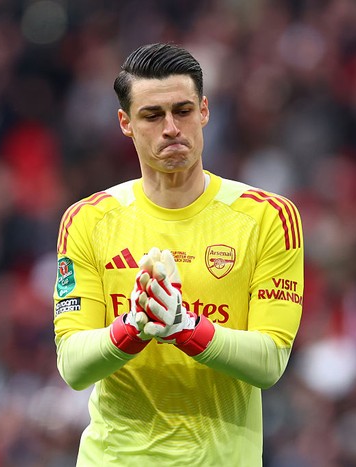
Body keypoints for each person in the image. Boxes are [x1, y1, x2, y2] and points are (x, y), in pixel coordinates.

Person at [53, 42, 304, 466]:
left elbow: (269, 361)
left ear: (204, 111)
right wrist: (132, 327)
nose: (171, 128)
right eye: (152, 115)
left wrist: (184, 326)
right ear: (125, 123)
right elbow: (74, 366)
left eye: (183, 111)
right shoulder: (87, 221)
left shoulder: (267, 217)